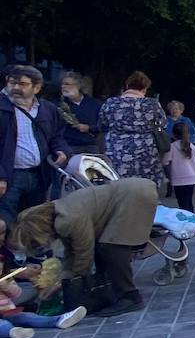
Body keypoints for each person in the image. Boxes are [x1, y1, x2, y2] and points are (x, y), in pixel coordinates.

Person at [11, 175, 158, 315]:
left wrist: (74, 282)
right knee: (105, 247)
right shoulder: (58, 212)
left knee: (112, 248)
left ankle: (130, 296)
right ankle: (112, 291)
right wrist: (64, 278)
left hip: (134, 197)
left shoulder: (68, 220)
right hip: (132, 192)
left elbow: (84, 251)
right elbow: (71, 251)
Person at [1, 65, 69, 226]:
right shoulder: (2, 107)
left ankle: (30, 250)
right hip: (9, 176)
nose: (16, 88)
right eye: (12, 83)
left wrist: (61, 151)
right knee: (4, 221)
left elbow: (56, 135)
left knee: (33, 221)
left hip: (39, 175)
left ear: (37, 87)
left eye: (22, 84)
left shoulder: (47, 109)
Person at [98, 71, 164, 190]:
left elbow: (102, 124)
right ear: (145, 88)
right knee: (145, 187)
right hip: (145, 149)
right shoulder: (152, 104)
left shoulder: (111, 103)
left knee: (118, 185)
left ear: (127, 85)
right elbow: (162, 123)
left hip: (116, 148)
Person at [57, 72, 101, 156]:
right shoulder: (58, 105)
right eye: (62, 84)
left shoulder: (95, 104)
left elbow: (104, 125)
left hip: (90, 147)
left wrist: (89, 128)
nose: (63, 87)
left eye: (67, 84)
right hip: (68, 147)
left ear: (78, 86)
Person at [165, 120, 195, 213]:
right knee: (189, 201)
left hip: (178, 179)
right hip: (192, 177)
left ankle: (186, 221)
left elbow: (165, 161)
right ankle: (192, 219)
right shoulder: (191, 146)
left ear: (173, 133)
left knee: (182, 203)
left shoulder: (172, 147)